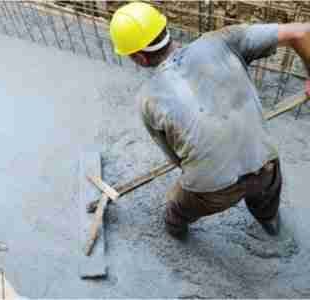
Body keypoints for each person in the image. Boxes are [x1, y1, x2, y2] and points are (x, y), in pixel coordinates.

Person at [109, 2, 310, 239]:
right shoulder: (222, 40)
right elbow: (302, 32)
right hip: (264, 162)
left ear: (140, 58)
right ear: (165, 28)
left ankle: (176, 229)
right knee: (266, 190)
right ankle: (269, 220)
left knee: (177, 206)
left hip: (212, 187)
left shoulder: (147, 100)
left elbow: (176, 159)